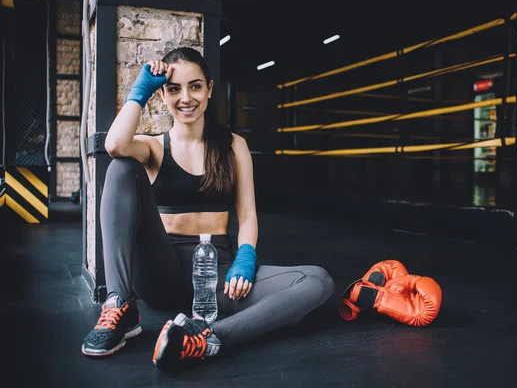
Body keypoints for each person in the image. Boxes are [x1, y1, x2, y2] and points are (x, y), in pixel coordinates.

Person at [81, 47, 335, 367]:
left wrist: (246, 258)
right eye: (174, 89)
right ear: (162, 94)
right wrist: (140, 89)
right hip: (163, 273)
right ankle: (119, 305)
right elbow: (114, 145)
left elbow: (247, 215)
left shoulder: (233, 145)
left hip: (219, 276)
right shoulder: (153, 147)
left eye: (195, 86)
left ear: (210, 89)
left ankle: (208, 338)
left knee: (318, 281)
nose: (186, 98)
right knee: (120, 167)